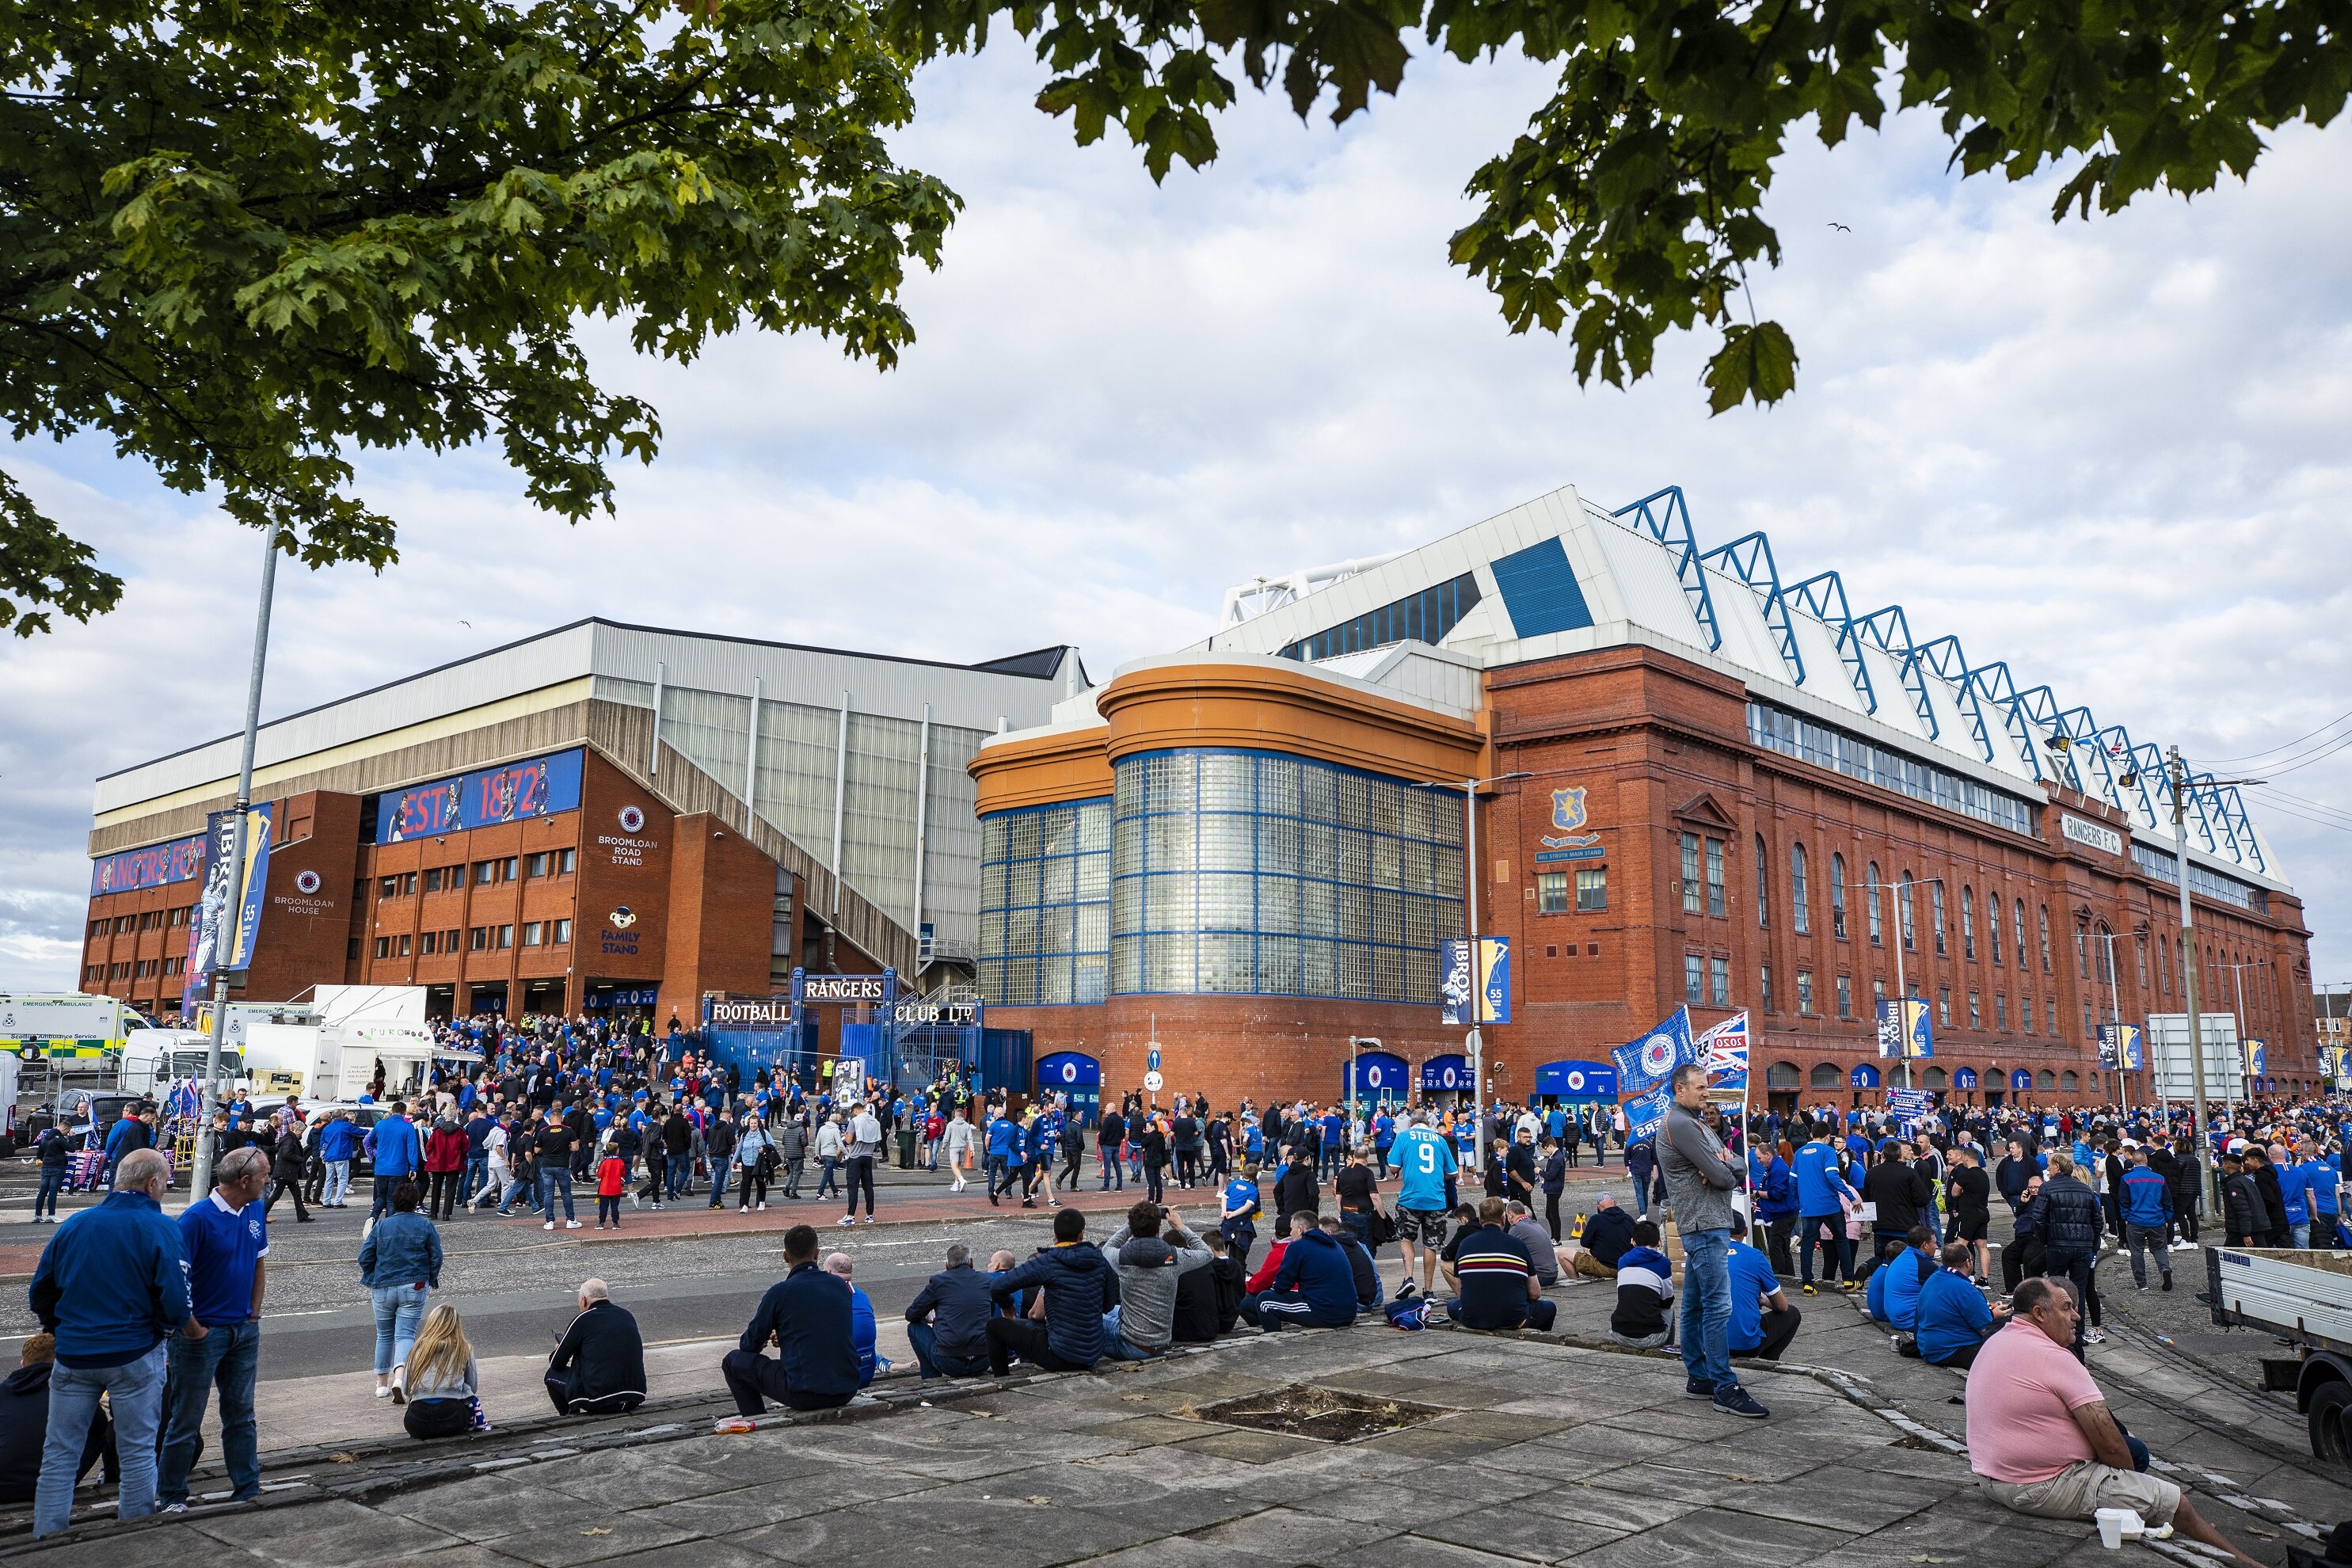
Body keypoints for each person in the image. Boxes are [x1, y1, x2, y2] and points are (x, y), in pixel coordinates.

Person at [1966, 1277, 2260, 1566]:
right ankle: (2247, 1563)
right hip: (2036, 1485)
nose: (2077, 1316)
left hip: (1991, 1476)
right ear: (2039, 1314)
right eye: (2067, 1308)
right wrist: (2131, 1486)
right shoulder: (2056, 1357)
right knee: (2174, 1501)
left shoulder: (1998, 1340)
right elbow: (2111, 1446)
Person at [25, 1147, 188, 1536]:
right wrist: (161, 1332)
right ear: (152, 1183)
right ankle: (132, 1536)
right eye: (165, 1181)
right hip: (134, 1353)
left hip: (74, 1355)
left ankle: (46, 1536)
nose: (165, 1188)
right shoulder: (161, 1228)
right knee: (136, 1452)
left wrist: (59, 1329)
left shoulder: (75, 1224)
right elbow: (177, 1302)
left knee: (60, 1453)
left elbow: (40, 1292)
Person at [156, 1144, 270, 1512]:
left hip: (242, 1331)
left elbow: (258, 1263)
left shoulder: (254, 1209)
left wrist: (253, 1315)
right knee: (186, 1418)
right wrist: (191, 1328)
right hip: (201, 1335)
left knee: (241, 1414)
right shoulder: (196, 1220)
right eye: (265, 1175)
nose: (269, 1181)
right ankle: (172, 1495)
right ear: (245, 1179)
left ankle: (247, 1487)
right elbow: (173, 1279)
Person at [1658, 1064, 1765, 1418]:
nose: (1707, 1092)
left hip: (1707, 1224)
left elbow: (1740, 1165)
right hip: (1704, 1225)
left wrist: (1725, 1166)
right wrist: (1722, 1167)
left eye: (1708, 1087)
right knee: (1718, 1305)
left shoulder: (1700, 1123)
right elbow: (1722, 1175)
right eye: (1701, 1087)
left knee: (1694, 1305)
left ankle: (1699, 1377)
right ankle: (1723, 1384)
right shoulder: (1681, 1124)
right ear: (1680, 1089)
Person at [716, 1225, 860, 1430]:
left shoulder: (780, 1292)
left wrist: (773, 1332)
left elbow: (749, 1345)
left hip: (806, 1393)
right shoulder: (840, 1287)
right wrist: (787, 1333)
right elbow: (822, 1329)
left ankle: (757, 1418)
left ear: (785, 1257)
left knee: (733, 1361)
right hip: (847, 1388)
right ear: (817, 1254)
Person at [988, 1208, 1117, 1374]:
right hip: (1091, 1354)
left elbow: (998, 1286)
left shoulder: (1048, 1261)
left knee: (994, 1326)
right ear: (1082, 1234)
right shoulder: (1100, 1261)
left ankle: (1002, 1378)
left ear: (1055, 1235)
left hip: (1060, 1354)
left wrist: (1007, 1306)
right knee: (1037, 1324)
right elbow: (1109, 1303)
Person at [0, 1335, 114, 1505]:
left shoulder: (2, 1392)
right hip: (52, 1485)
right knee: (106, 1429)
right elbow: (98, 1428)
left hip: (3, 1488)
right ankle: (104, 1479)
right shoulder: (75, 1391)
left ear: (23, 1363)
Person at [359, 1181, 443, 1400]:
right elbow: (436, 1257)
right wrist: (429, 1277)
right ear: (417, 1204)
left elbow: (364, 1257)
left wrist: (373, 1274)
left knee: (384, 1335)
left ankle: (381, 1385)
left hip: (383, 1286)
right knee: (405, 1334)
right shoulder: (424, 1226)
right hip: (413, 1285)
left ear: (393, 1203)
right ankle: (400, 1378)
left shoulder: (381, 1226)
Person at [1102, 1201, 1212, 1360]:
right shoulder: (1175, 1257)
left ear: (1133, 1229)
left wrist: (1132, 1225)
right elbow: (1207, 1253)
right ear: (1159, 1229)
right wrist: (1180, 1226)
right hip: (1161, 1344)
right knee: (1113, 1310)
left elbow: (1108, 1247)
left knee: (1087, 1316)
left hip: (1131, 1344)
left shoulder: (1122, 1258)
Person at [1446, 1198, 1558, 1331]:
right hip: (1513, 1318)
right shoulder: (1518, 1245)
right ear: (1504, 1219)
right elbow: (1535, 1293)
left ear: (1480, 1219)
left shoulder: (1465, 1245)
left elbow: (1460, 1291)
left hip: (1472, 1318)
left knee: (1452, 1305)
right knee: (1549, 1307)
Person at [1239, 1210, 1359, 1330]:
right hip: (1349, 1311)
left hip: (1325, 1313)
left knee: (1264, 1301)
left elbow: (1282, 1285)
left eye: (1292, 1229)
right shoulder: (1334, 1243)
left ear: (1300, 1229)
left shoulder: (1297, 1246)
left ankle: (1274, 1339)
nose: (1291, 1233)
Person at [546, 1279, 648, 1414]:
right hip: (633, 1398)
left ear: (583, 1300)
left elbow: (556, 1364)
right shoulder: (626, 1315)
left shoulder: (582, 1319)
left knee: (551, 1375)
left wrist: (558, 1348)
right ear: (606, 1296)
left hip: (602, 1401)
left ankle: (569, 1418)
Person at [1390, 1113, 1458, 1300]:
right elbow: (1452, 1172)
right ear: (1428, 1124)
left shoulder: (1403, 1137)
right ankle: (1428, 1290)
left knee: (1405, 1237)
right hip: (1436, 1198)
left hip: (1410, 1197)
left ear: (1411, 1123)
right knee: (1431, 1244)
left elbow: (1393, 1167)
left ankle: (1408, 1277)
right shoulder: (1439, 1139)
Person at [905, 1243, 995, 1379]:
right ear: (971, 1262)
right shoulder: (987, 1280)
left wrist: (928, 1315)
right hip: (983, 1360)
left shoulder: (938, 1281)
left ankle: (931, 1378)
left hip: (948, 1361)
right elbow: (990, 1312)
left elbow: (911, 1314)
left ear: (946, 1265)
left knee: (914, 1327)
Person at [1794, 1124, 1860, 1295]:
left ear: (1810, 1133)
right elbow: (1832, 1175)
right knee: (1841, 1239)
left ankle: (1808, 1284)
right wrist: (1851, 1197)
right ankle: (1848, 1280)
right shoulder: (1828, 1151)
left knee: (1808, 1244)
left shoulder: (1799, 1153)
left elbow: (1792, 1181)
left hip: (1808, 1207)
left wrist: (1799, 1200)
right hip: (1829, 1205)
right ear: (1828, 1137)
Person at [401, 1304, 485, 1440]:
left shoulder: (416, 1350)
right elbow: (473, 1387)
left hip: (417, 1423)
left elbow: (406, 1389)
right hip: (453, 1419)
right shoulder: (464, 1349)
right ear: (456, 1325)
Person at [1916, 1242, 2005, 1369]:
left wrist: (1991, 1310)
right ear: (1968, 1262)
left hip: (1930, 1345)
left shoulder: (1935, 1277)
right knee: (2007, 1354)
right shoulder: (1965, 1288)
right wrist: (1998, 1316)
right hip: (1950, 1350)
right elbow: (1986, 1328)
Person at [1725, 1214, 1800, 1361]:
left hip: (1708, 1342)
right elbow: (1781, 1306)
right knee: (1793, 1313)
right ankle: (1768, 1360)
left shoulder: (1706, 1255)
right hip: (1746, 1344)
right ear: (1746, 1231)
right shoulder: (1755, 1256)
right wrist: (1764, 1301)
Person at [1608, 1220, 1675, 1349]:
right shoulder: (1663, 1263)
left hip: (1619, 1334)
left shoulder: (1622, 1261)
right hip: (1650, 1337)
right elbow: (1667, 1301)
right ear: (1659, 1242)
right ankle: (1668, 1349)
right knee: (1670, 1310)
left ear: (1633, 1241)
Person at [2119, 1144, 2175, 1292]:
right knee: (2159, 1249)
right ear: (2146, 1161)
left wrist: (2125, 1217)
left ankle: (2142, 1283)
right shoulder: (2159, 1179)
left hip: (2135, 1219)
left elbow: (2124, 1201)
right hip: (2156, 1219)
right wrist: (2167, 1218)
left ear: (2133, 1162)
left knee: (2136, 1252)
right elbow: (2167, 1201)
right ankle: (2165, 1269)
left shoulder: (2126, 1179)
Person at [1173, 1230, 1246, 1343]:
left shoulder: (1208, 1268)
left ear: (1209, 1248)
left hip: (1214, 1321)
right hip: (1231, 1320)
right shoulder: (1239, 1267)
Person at [823, 1254, 882, 1383]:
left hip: (842, 1381)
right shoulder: (862, 1296)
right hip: (866, 1374)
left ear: (828, 1272)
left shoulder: (824, 1297)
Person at [1945, 1144, 1993, 1285]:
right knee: (1982, 1246)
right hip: (1983, 1213)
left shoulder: (1965, 1174)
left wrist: (1962, 1192)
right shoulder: (1984, 1174)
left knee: (1960, 1245)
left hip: (1969, 1214)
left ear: (1965, 1158)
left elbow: (1954, 1192)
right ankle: (1984, 1278)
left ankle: (1959, 1274)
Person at [369, 1101, 424, 1221]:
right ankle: (389, 1223)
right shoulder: (408, 1127)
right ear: (404, 1113)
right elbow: (412, 1149)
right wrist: (414, 1168)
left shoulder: (380, 1124)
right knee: (391, 1198)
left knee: (381, 1196)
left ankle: (372, 1218)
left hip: (381, 1167)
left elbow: (370, 1140)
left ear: (392, 1111)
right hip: (398, 1168)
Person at [1574, 1192, 1637, 1280]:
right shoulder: (1628, 1218)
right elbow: (1637, 1242)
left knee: (1563, 1254)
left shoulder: (1596, 1219)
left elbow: (1584, 1242)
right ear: (1615, 1203)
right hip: (1626, 1265)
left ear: (1599, 1206)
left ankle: (1576, 1282)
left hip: (1606, 1266)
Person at [839, 1102, 881, 1226]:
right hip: (868, 1157)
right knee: (868, 1187)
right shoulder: (875, 1121)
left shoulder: (855, 1121)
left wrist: (845, 1136)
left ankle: (851, 1216)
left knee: (853, 1187)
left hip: (856, 1156)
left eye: (853, 1113)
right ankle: (869, 1215)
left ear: (855, 1111)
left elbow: (849, 1140)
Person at [1504, 1200, 1559, 1287]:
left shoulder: (1517, 1228)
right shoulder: (1535, 1224)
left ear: (1511, 1214)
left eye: (1507, 1216)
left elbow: (1506, 1253)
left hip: (1540, 1277)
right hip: (1552, 1274)